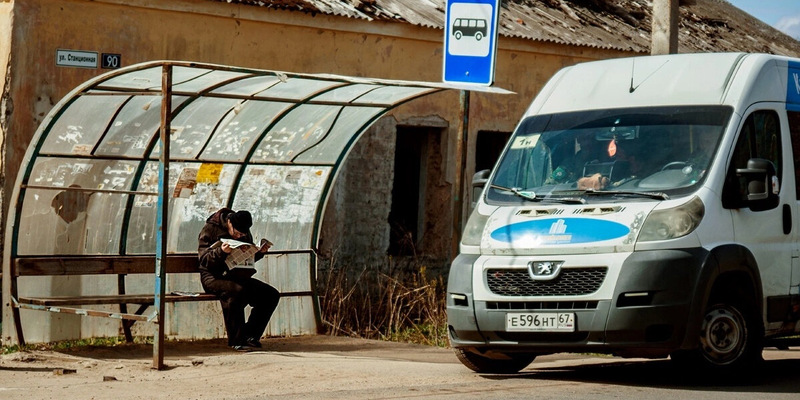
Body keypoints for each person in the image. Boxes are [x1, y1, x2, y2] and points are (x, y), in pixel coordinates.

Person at [198, 208, 280, 351]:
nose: (238, 236)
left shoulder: (243, 231)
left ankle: (250, 335)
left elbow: (246, 257)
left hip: (236, 276)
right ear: (229, 223)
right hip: (213, 278)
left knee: (270, 295)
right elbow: (204, 260)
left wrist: (259, 253)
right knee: (236, 291)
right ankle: (237, 340)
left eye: (241, 234)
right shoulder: (210, 229)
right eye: (236, 233)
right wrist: (221, 252)